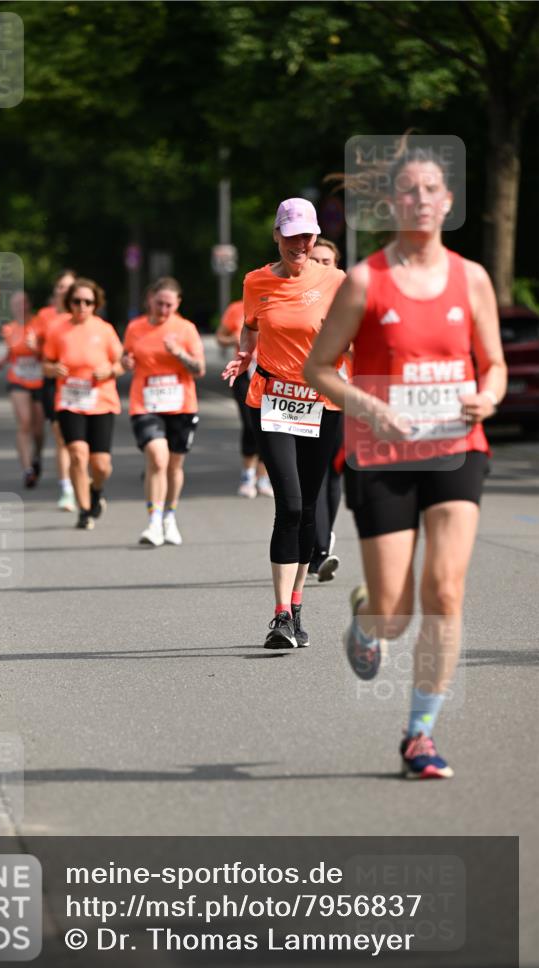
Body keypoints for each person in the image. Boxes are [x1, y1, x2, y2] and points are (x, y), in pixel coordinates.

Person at [304, 150, 507, 778]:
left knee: (446, 590)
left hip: (453, 449)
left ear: (448, 202)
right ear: (391, 204)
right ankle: (368, 621)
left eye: (432, 188)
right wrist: (369, 404)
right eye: (408, 190)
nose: (420, 199)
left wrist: (488, 397)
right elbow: (317, 368)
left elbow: (493, 364)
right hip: (381, 453)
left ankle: (419, 733)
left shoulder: (470, 278)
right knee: (395, 613)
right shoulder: (365, 280)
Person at [222, 198, 346, 649]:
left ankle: (296, 607)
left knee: (309, 505)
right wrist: (245, 354)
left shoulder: (335, 281)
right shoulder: (256, 281)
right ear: (277, 235)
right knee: (289, 505)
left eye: (307, 235)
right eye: (292, 235)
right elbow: (252, 327)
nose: (301, 243)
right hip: (272, 399)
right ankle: (278, 616)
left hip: (322, 402)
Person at [122, 276, 205, 546]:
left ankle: (170, 515)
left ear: (178, 303)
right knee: (157, 459)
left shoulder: (186, 329)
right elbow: (127, 360)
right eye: (159, 303)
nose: (164, 310)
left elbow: (199, 369)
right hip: (146, 403)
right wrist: (125, 361)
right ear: (150, 300)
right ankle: (154, 520)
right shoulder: (135, 328)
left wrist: (178, 352)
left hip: (181, 404)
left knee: (174, 464)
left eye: (170, 305)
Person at [44, 278, 123, 529]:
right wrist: (53, 368)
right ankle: (85, 509)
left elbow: (122, 363)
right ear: (69, 303)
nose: (82, 306)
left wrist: (110, 371)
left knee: (101, 465)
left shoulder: (105, 330)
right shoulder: (58, 330)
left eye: (88, 302)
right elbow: (45, 365)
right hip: (69, 401)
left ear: (95, 304)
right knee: (78, 455)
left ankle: (96, 489)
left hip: (101, 401)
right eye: (77, 301)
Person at [307, 238, 348, 582]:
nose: (320, 265)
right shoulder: (298, 295)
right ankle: (319, 549)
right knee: (313, 475)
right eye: (314, 259)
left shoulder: (350, 297)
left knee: (333, 473)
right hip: (302, 398)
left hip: (343, 396)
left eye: (327, 261)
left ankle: (323, 540)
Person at [215, 299, 273, 499]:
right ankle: (248, 476)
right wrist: (233, 340)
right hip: (244, 372)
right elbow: (220, 337)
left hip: (271, 372)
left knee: (269, 423)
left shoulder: (277, 304)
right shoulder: (235, 309)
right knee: (250, 424)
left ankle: (263, 477)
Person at [37, 270, 76, 511]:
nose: (65, 291)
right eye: (61, 286)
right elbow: (40, 353)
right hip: (55, 381)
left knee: (83, 442)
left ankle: (82, 476)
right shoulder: (46, 317)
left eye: (69, 287)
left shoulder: (87, 316)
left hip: (85, 385)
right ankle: (67, 488)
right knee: (61, 435)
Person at [0, 291, 44, 488]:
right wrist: (3, 361)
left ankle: (37, 455)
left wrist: (36, 348)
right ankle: (27, 469)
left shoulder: (39, 324)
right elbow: (12, 352)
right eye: (16, 303)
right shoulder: (9, 329)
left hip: (40, 379)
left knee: (38, 429)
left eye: (23, 303)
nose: (20, 307)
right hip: (18, 379)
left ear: (29, 304)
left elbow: (49, 352)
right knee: (24, 423)